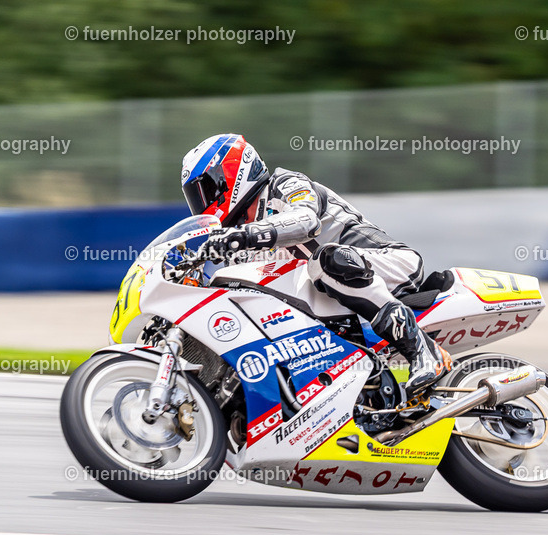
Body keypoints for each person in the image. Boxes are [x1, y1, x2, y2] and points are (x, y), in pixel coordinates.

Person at [180, 133, 450, 395]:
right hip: (336, 299)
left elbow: (306, 221)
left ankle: (425, 352)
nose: (202, 204)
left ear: (229, 176)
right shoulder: (243, 242)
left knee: (324, 260)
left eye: (205, 191)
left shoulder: (285, 184)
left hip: (391, 263)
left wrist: (243, 236)